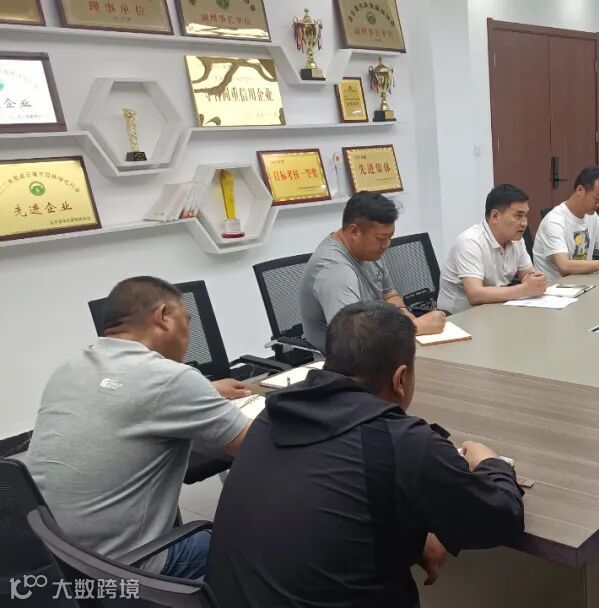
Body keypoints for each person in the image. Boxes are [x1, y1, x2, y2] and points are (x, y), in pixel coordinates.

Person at [207, 301, 524, 607]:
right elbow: (499, 520)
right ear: (400, 379)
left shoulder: (273, 415)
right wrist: (490, 463)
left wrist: (413, 539)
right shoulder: (402, 442)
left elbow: (326, 504)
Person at [25, 277, 251, 579]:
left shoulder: (69, 370)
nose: (188, 332)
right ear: (163, 316)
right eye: (186, 320)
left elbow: (121, 398)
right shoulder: (171, 379)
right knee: (266, 540)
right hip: (128, 567)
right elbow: (255, 445)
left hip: (57, 556)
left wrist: (206, 390)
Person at [301, 191, 446, 352]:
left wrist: (407, 318)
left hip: (377, 341)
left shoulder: (370, 252)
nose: (387, 245)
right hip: (344, 357)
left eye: (390, 237)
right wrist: (414, 327)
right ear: (354, 231)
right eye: (381, 239)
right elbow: (352, 337)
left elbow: (389, 295)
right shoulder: (334, 269)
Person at [437, 184, 549, 314]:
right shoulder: (470, 242)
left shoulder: (516, 240)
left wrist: (536, 281)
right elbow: (475, 294)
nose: (524, 223)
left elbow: (528, 275)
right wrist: (525, 289)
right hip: (459, 316)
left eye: (525, 216)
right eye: (518, 216)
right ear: (495, 216)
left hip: (494, 308)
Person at [532, 166, 599, 280]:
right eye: (597, 199)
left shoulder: (592, 216)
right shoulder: (554, 221)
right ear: (580, 190)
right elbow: (564, 266)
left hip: (583, 282)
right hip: (556, 287)